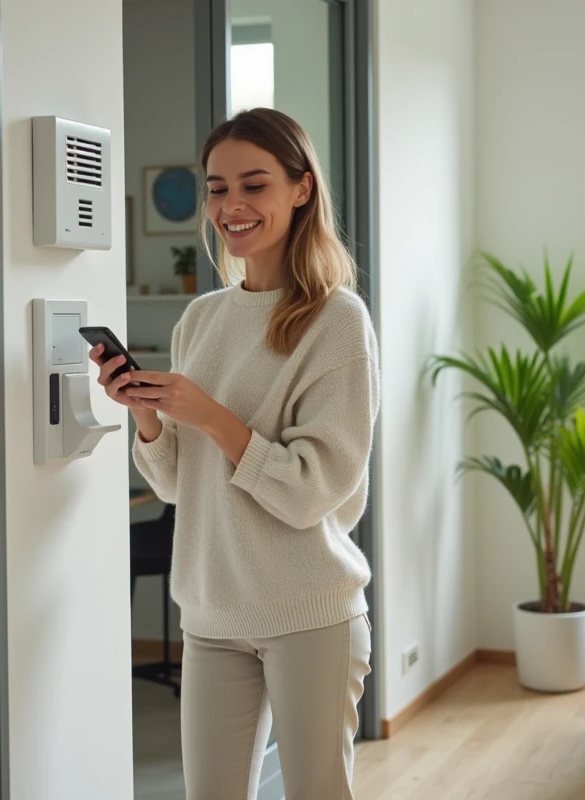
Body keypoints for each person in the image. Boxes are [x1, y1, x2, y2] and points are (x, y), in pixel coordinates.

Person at [93, 108, 380, 800]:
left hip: (310, 613)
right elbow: (177, 489)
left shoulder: (337, 322)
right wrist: (150, 419)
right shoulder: (203, 319)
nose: (233, 206)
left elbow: (315, 490)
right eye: (218, 188)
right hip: (212, 614)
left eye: (254, 185)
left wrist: (215, 419)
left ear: (301, 189)